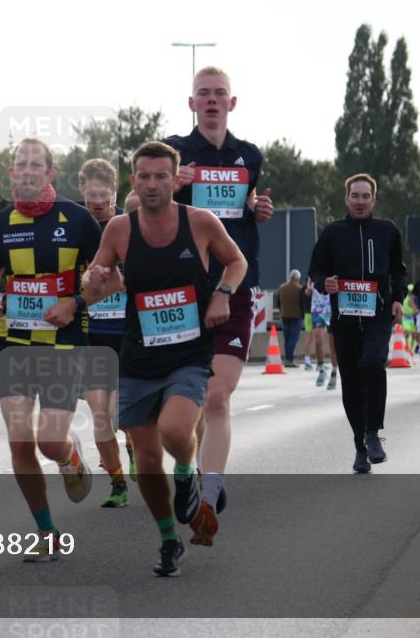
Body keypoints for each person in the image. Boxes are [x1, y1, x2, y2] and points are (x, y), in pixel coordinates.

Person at [86, 141, 246, 575]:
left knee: (176, 430)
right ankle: (169, 539)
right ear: (133, 181)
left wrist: (221, 295)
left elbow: (236, 262)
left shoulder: (200, 222)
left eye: (161, 176)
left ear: (176, 181)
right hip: (139, 354)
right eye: (144, 176)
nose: (153, 184)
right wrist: (94, 278)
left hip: (188, 353)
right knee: (146, 458)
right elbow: (97, 287)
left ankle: (187, 477)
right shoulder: (119, 229)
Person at [0, 138, 103, 562]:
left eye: (36, 165)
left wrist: (75, 303)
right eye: (20, 165)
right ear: (11, 174)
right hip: (12, 344)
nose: (27, 170)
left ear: (51, 173)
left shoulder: (80, 220)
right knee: (18, 441)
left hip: (63, 344)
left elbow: (112, 280)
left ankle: (69, 456)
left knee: (49, 441)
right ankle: (46, 532)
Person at [160, 66, 274, 521]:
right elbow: (134, 205)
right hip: (183, 290)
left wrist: (259, 210)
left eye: (219, 94)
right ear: (191, 103)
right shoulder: (173, 151)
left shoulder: (249, 155)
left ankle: (208, 493)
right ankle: (189, 467)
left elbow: (247, 210)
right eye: (203, 94)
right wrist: (172, 185)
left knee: (217, 396)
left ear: (232, 103)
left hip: (236, 284)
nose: (211, 100)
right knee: (187, 402)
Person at [309, 173, 406, 474]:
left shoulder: (387, 231)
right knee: (350, 382)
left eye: (366, 196)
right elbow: (316, 270)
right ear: (346, 199)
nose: (360, 201)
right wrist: (327, 282)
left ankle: (373, 432)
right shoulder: (332, 232)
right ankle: (359, 445)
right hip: (345, 319)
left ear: (374, 200)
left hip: (377, 315)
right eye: (355, 196)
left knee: (374, 363)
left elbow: (398, 271)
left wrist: (398, 299)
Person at [78, 158, 134, 506]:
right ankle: (118, 484)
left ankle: (133, 443)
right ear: (81, 191)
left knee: (125, 415)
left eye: (104, 194)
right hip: (91, 334)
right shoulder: (75, 230)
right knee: (101, 415)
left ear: (115, 191)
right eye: (90, 194)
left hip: (129, 333)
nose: (97, 201)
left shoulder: (129, 225)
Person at [310, 282, 337, 388]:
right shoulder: (313, 273)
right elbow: (308, 290)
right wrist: (308, 291)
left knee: (333, 346)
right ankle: (321, 369)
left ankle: (334, 373)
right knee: (318, 341)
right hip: (317, 310)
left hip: (331, 310)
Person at [278, 270, 304, 367]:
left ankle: (287, 359)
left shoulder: (282, 287)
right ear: (298, 278)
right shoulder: (300, 289)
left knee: (287, 338)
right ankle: (289, 360)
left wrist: (282, 311)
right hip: (297, 316)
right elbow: (302, 303)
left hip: (284, 316)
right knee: (293, 338)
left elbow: (278, 303)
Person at [300, 277, 315, 370]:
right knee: (315, 337)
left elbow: (300, 302)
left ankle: (307, 359)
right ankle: (310, 360)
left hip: (306, 314)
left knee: (308, 336)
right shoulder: (311, 287)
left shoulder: (302, 288)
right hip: (313, 313)